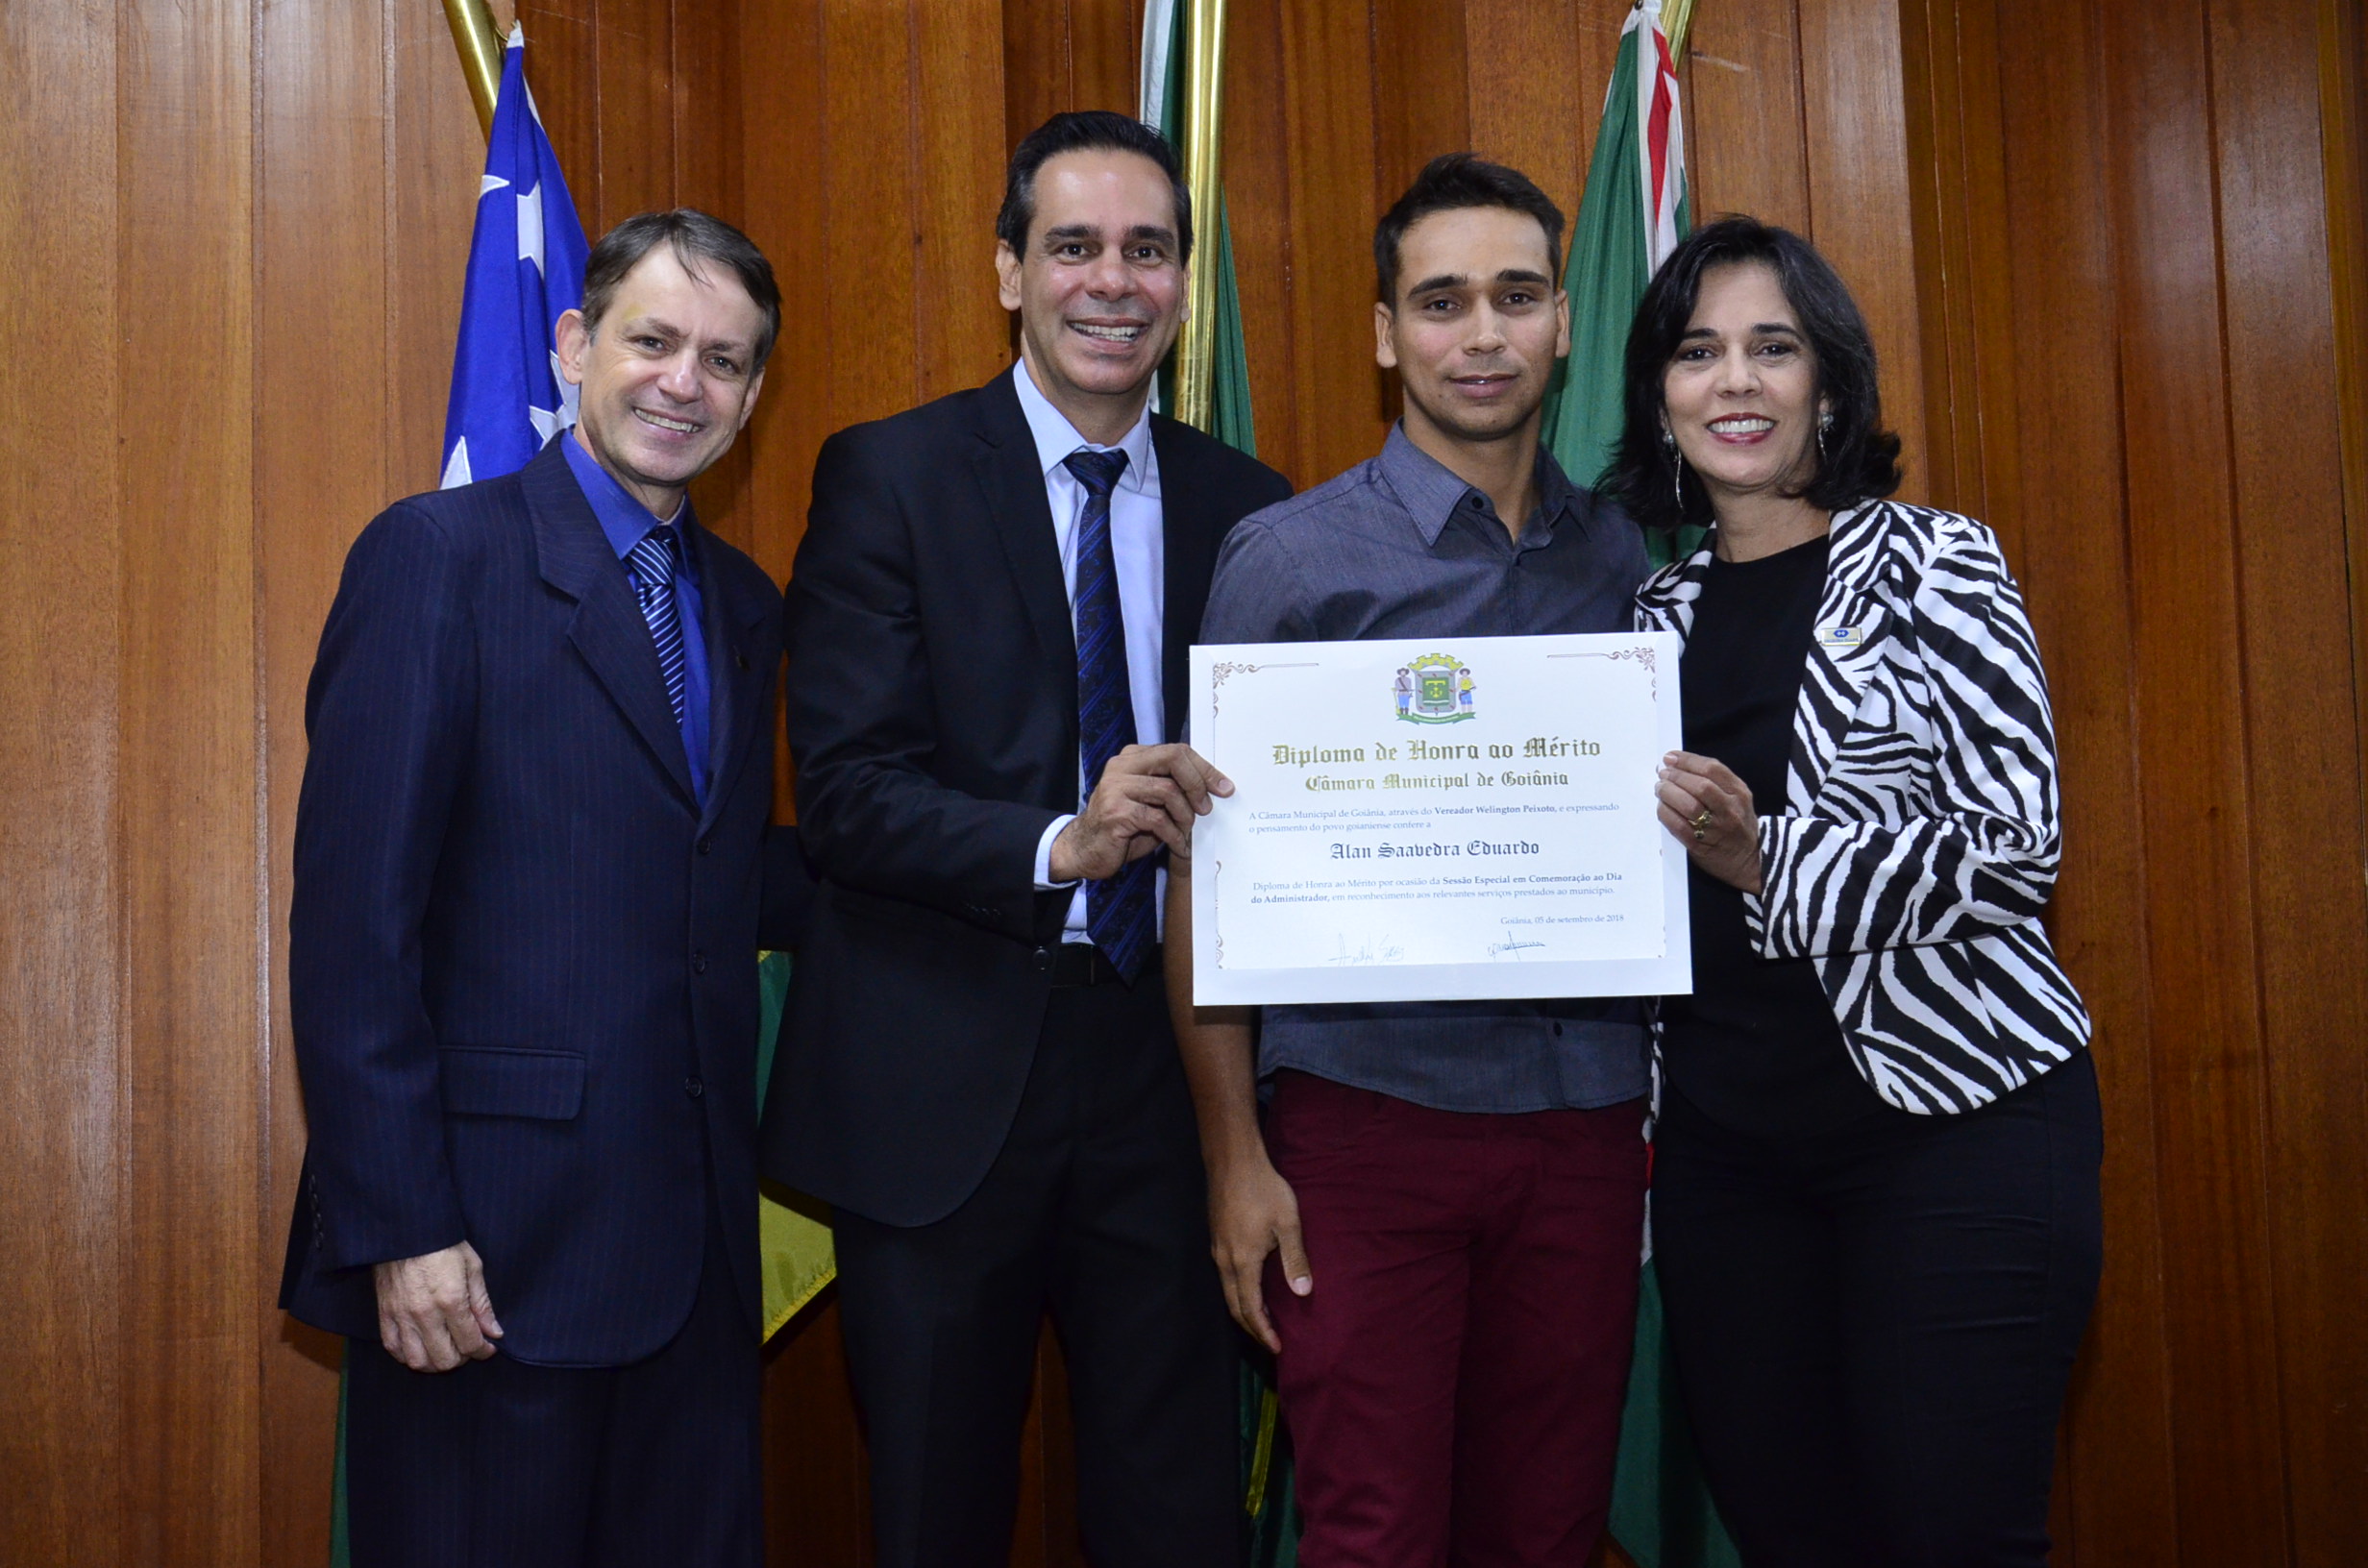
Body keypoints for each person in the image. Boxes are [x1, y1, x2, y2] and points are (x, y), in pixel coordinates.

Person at [762, 110, 1292, 1568]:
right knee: (936, 1510)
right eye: (1073, 247)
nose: (1112, 282)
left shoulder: (1253, 511)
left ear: (1181, 281)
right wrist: (1063, 841)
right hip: (936, 1079)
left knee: (1178, 1512)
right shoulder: (890, 475)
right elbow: (847, 794)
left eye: (1147, 250)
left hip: (1173, 1079)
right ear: (1009, 271)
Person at [279, 210, 792, 1568]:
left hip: (695, 1265)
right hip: (487, 1264)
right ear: (574, 346)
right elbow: (354, 931)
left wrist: (1033, 848)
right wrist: (404, 1228)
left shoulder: (746, 607)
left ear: (753, 396)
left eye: (724, 361)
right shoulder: (437, 559)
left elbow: (722, 884)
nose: (684, 383)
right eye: (652, 341)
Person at [1169, 154, 1653, 1568]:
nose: (1482, 334)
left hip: (1582, 1121)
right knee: (1373, 1534)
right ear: (1387, 334)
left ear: (1565, 323)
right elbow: (1209, 878)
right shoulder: (1289, 559)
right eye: (1442, 303)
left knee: (1549, 1532)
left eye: (1517, 296)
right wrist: (1234, 1158)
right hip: (1363, 1129)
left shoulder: (1627, 561)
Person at [1618, 215, 2101, 1567]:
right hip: (1726, 1165)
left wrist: (1765, 857)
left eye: (1772, 348)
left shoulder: (1940, 564)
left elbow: (2015, 843)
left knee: (1956, 1536)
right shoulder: (1645, 625)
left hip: (1952, 1129)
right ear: (1660, 395)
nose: (1735, 381)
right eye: (1698, 352)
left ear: (1828, 385)